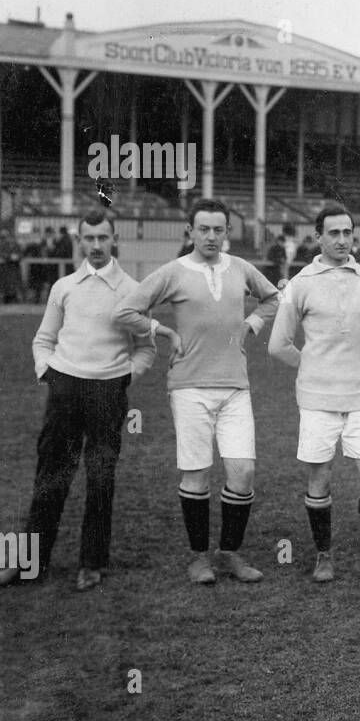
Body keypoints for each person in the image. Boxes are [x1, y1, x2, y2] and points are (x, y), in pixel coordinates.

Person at [0, 211, 156, 591]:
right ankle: (30, 565)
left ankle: (92, 563)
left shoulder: (133, 290)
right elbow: (44, 339)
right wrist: (48, 373)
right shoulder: (64, 286)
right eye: (89, 238)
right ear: (79, 241)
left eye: (103, 238)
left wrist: (126, 375)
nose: (96, 246)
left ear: (114, 240)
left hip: (108, 393)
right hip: (64, 390)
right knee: (50, 478)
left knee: (100, 478)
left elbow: (146, 348)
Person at [116, 198, 280, 585]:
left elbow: (273, 297)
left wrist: (250, 324)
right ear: (189, 231)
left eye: (218, 229)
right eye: (203, 229)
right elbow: (125, 311)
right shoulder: (173, 272)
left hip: (236, 386)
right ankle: (198, 557)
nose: (211, 236)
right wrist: (164, 331)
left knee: (243, 472)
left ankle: (229, 553)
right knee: (197, 474)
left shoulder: (240, 268)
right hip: (189, 386)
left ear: (227, 232)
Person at [269, 205, 360, 585]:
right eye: (334, 233)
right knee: (320, 478)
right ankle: (323, 557)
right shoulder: (299, 283)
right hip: (316, 400)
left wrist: (357, 367)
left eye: (348, 233)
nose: (343, 240)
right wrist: (313, 368)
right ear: (318, 237)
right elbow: (279, 345)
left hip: (359, 397)